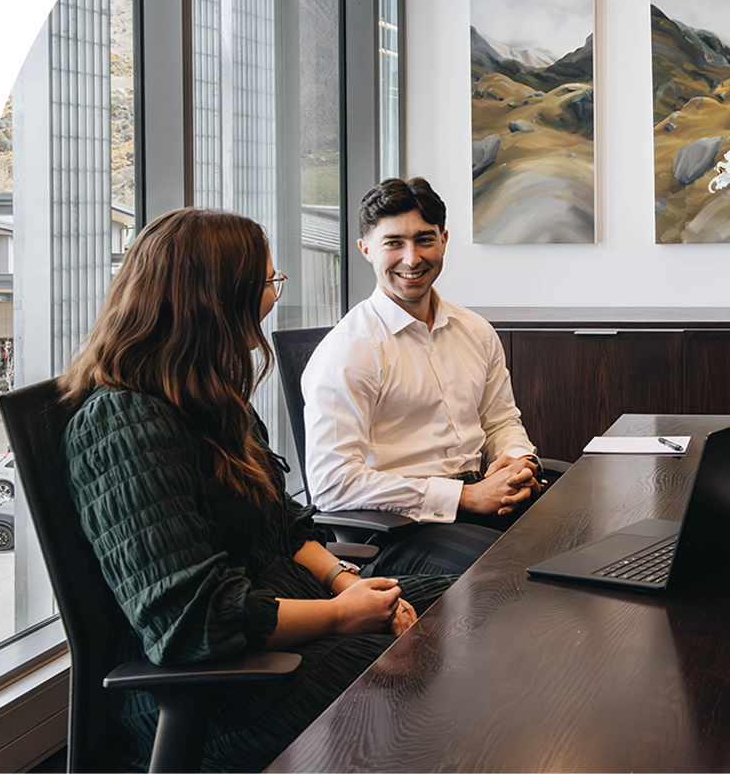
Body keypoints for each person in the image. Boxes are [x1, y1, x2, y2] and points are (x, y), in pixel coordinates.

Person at [58, 208, 454, 774]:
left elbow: (283, 524)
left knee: (472, 598)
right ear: (216, 297)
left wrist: (349, 583)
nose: (274, 296)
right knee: (444, 667)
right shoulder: (124, 422)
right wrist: (342, 616)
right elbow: (195, 623)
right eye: (268, 282)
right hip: (227, 689)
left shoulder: (209, 397)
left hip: (293, 619)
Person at [302, 177, 543, 578]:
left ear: (444, 240)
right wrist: (463, 497)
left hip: (482, 501)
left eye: (424, 240)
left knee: (584, 532)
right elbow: (332, 483)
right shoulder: (351, 348)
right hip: (399, 530)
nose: (412, 258)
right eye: (393, 243)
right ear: (366, 250)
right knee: (520, 572)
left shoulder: (475, 330)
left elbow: (501, 421)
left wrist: (518, 461)